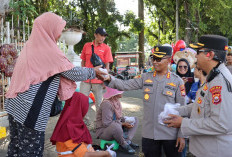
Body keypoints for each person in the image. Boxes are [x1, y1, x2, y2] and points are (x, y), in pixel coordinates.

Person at [4, 12, 106, 157]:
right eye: (58, 30)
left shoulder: (31, 46)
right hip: (29, 111)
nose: (59, 35)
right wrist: (93, 72)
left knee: (16, 148)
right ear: (48, 28)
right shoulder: (48, 50)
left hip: (14, 106)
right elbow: (71, 72)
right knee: (31, 152)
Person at [101, 46, 186, 157]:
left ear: (169, 60)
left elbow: (183, 110)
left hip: (170, 134)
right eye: (153, 58)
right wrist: (109, 78)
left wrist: (182, 134)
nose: (155, 62)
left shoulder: (177, 81)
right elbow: (125, 84)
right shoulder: (145, 77)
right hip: (149, 134)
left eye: (158, 59)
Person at [164, 35, 232, 157]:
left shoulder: (220, 82)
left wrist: (183, 123)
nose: (195, 56)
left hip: (213, 152)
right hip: (204, 150)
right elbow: (201, 105)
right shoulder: (213, 76)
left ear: (209, 55)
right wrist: (176, 110)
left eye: (198, 52)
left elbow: (220, 124)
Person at [51, 92, 116, 157]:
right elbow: (84, 155)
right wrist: (106, 153)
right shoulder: (69, 129)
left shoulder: (70, 121)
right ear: (80, 108)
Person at [95, 87, 139, 154]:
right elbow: (106, 123)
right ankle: (124, 144)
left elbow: (118, 118)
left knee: (135, 119)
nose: (122, 92)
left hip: (114, 125)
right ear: (114, 94)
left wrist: (125, 121)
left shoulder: (116, 101)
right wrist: (123, 124)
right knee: (115, 126)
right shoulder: (106, 104)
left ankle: (127, 141)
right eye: (120, 91)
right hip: (103, 131)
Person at [80, 27, 113, 113]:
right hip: (86, 80)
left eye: (104, 36)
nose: (103, 38)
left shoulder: (106, 48)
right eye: (101, 35)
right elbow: (83, 61)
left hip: (98, 80)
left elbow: (107, 66)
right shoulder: (86, 46)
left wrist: (105, 80)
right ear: (95, 35)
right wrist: (83, 74)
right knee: (82, 103)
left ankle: (98, 124)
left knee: (99, 104)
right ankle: (85, 123)